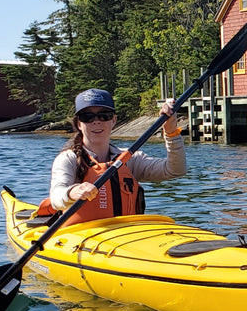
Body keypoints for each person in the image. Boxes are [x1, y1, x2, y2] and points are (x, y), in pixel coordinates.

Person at [46, 89, 186, 222]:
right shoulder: (68, 159)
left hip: (123, 234)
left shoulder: (130, 158)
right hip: (82, 237)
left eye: (104, 115)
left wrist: (171, 133)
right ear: (79, 124)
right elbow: (56, 197)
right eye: (87, 117)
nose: (96, 121)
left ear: (113, 120)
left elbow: (175, 170)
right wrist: (72, 192)